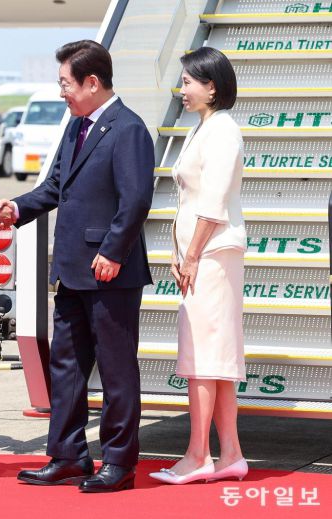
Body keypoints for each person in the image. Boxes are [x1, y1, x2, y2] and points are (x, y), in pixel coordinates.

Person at [0, 40, 154, 492]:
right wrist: (16, 209)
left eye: (65, 83)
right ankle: (67, 455)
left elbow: (136, 199)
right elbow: (55, 187)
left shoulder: (128, 129)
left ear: (92, 81)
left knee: (117, 369)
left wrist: (113, 250)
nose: (61, 92)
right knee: (65, 365)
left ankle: (119, 462)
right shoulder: (76, 126)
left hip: (110, 271)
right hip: (71, 270)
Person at [149, 47, 248, 485]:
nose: (182, 89)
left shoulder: (222, 130)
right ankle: (230, 455)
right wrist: (180, 250)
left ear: (212, 85)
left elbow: (212, 203)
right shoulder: (204, 128)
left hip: (211, 254)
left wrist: (190, 255)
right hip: (204, 253)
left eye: (188, 82)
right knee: (217, 357)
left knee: (202, 357)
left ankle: (197, 454)